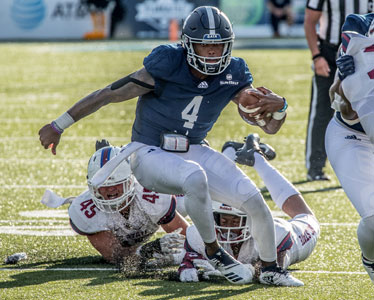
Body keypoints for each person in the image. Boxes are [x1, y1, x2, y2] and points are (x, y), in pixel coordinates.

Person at [38, 6, 300, 286]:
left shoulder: (235, 73)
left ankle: (271, 269)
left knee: (253, 199)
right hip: (148, 151)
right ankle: (212, 252)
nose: (212, 53)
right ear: (188, 45)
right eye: (205, 46)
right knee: (194, 176)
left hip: (193, 147)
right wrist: (59, 125)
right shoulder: (167, 64)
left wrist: (279, 107)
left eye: (218, 46)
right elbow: (108, 95)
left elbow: (269, 127)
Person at [178, 134, 319, 283]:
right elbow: (189, 262)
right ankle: (232, 151)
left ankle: (257, 158)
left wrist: (247, 270)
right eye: (223, 219)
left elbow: (268, 270)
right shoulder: (197, 234)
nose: (229, 226)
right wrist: (188, 268)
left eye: (235, 220)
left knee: (306, 215)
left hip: (296, 238)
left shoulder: (276, 233)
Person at [42, 141, 188, 268]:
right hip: (127, 245)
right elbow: (117, 256)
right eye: (103, 185)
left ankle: (212, 214)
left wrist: (195, 249)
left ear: (130, 181)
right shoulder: (86, 211)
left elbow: (187, 238)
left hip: (166, 203)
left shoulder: (150, 195)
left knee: (187, 201)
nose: (110, 189)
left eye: (117, 184)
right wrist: (149, 250)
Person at [326, 13, 374, 284]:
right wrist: (347, 84)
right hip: (352, 137)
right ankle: (371, 260)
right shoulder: (360, 30)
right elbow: (339, 102)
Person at [304, 0, 374, 181]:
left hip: (361, 54)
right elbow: (310, 20)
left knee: (365, 107)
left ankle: (364, 168)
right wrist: (316, 56)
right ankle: (315, 166)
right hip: (329, 51)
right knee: (322, 110)